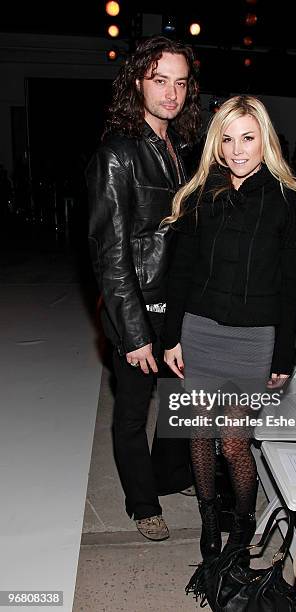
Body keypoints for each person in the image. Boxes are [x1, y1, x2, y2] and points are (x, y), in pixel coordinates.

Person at [161, 95, 296, 597]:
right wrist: (170, 338)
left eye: (247, 137)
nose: (237, 149)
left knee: (232, 441)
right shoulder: (203, 195)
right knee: (199, 436)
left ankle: (242, 527)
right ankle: (209, 524)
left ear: (265, 138)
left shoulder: (290, 201)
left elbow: (289, 285)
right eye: (226, 138)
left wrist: (282, 356)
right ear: (216, 143)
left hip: (252, 338)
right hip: (199, 331)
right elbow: (181, 272)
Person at [86, 36, 201, 541]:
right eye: (160, 81)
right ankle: (141, 501)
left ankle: (170, 474)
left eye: (179, 82)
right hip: (137, 306)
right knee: (133, 412)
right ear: (137, 83)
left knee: (178, 401)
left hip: (177, 304)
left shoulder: (179, 145)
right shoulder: (118, 154)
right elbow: (110, 253)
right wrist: (134, 334)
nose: (171, 93)